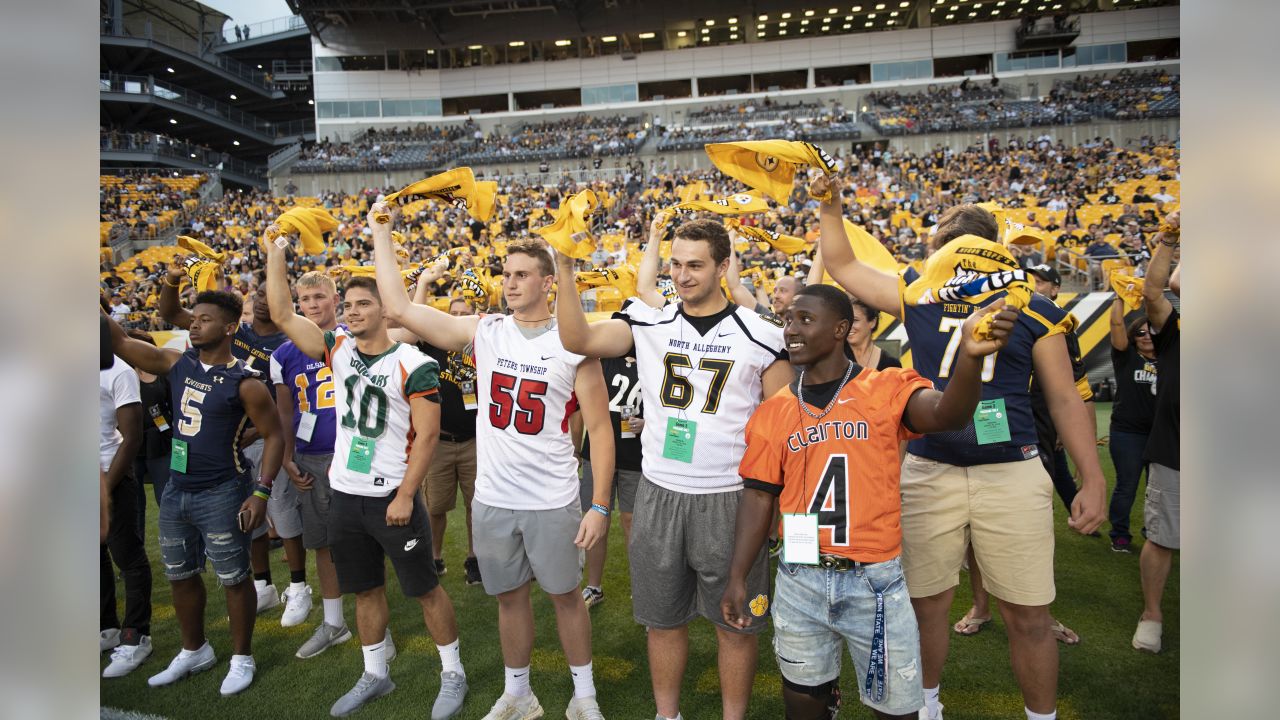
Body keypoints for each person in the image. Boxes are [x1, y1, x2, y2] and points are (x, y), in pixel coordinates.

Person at [816, 175, 1105, 720]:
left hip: (943, 467)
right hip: (993, 467)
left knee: (933, 609)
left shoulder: (926, 293)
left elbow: (843, 266)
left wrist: (831, 208)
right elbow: (1065, 401)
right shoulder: (1030, 305)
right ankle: (1028, 714)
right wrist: (1090, 477)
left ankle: (927, 706)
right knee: (1024, 616)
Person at [722, 285, 1017, 720]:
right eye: (788, 320)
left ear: (841, 329)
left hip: (873, 582)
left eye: (805, 319)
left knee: (896, 712)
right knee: (803, 706)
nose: (791, 330)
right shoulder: (774, 411)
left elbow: (946, 414)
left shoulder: (885, 387)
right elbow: (758, 495)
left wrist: (969, 360)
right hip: (799, 577)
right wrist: (737, 574)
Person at [368, 207, 613, 720]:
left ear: (549, 282)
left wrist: (600, 505)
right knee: (508, 598)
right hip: (494, 496)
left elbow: (600, 429)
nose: (510, 283)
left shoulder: (574, 342)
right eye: (506, 274)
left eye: (522, 274)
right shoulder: (488, 330)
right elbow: (397, 308)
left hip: (552, 496)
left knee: (566, 597)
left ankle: (584, 693)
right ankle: (519, 693)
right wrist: (382, 232)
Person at [555, 217, 792, 720]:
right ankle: (667, 715)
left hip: (732, 496)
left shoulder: (762, 335)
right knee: (662, 620)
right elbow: (578, 338)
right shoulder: (650, 322)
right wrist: (564, 265)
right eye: (676, 265)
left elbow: (784, 433)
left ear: (723, 266)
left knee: (736, 624)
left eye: (695, 266)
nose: (682, 276)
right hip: (658, 492)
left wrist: (777, 507)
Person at [263, 234, 469, 718]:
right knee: (365, 589)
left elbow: (428, 435)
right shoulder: (336, 349)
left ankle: (452, 672)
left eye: (363, 304)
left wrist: (406, 494)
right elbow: (280, 314)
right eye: (349, 304)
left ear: (386, 310)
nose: (352, 312)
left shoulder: (412, 363)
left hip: (391, 498)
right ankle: (375, 674)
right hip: (345, 493)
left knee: (423, 589)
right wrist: (276, 251)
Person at [104, 291, 283, 696]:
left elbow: (275, 436)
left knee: (234, 579)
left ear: (229, 327)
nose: (196, 323)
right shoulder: (178, 363)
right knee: (180, 576)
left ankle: (242, 658)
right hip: (176, 488)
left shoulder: (246, 382)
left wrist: (260, 493)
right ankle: (193, 649)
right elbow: (117, 340)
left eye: (205, 318)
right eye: (194, 318)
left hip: (223, 489)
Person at [160, 268, 304, 618]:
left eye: (270, 296)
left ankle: (299, 586)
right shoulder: (237, 331)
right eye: (258, 295)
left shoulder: (290, 341)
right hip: (229, 439)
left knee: (282, 513)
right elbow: (176, 315)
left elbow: (285, 399)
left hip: (266, 431)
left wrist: (265, 430)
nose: (261, 300)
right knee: (248, 523)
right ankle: (263, 584)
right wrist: (173, 279)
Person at [267, 270, 352, 659]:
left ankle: (375, 624)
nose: (313, 305)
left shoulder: (354, 338)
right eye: (305, 299)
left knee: (364, 541)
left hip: (356, 453)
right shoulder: (282, 354)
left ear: (335, 298)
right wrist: (285, 456)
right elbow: (284, 413)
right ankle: (334, 621)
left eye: (320, 296)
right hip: (311, 455)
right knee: (321, 541)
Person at [1133, 212, 1180, 654]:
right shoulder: (1175, 332)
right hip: (1177, 449)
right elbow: (1155, 290)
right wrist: (1167, 238)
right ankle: (1152, 612)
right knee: (1162, 536)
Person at [417, 297, 483, 586]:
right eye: (452, 314)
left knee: (476, 506)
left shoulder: (482, 347)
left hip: (475, 441)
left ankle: (474, 558)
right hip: (439, 442)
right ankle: (434, 557)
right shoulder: (431, 344)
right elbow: (410, 321)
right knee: (435, 507)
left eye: (463, 315)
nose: (457, 319)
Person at [577, 350, 644, 609]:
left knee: (633, 523)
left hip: (635, 454)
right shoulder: (602, 358)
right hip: (597, 451)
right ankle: (594, 586)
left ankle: (641, 590)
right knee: (596, 518)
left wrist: (647, 423)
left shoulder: (653, 354)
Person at [100, 352, 153, 678]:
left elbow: (132, 438)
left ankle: (137, 635)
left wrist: (105, 488)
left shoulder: (117, 371)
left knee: (127, 557)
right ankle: (106, 627)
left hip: (111, 474)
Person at [1106, 296, 1158, 554]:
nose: (1146, 336)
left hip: (1162, 434)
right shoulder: (1126, 357)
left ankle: (1155, 533)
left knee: (1158, 488)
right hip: (1127, 433)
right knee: (1127, 485)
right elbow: (1116, 324)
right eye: (1140, 333)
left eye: (1152, 332)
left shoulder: (1173, 356)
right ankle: (1119, 534)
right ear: (1133, 337)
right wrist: (1119, 299)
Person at [127, 330, 172, 508]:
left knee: (166, 497)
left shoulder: (163, 372)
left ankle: (172, 536)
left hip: (161, 443)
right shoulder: (122, 374)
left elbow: (174, 405)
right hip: (130, 445)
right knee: (134, 503)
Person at [847, 296, 901, 370]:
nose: (849, 326)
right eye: (846, 320)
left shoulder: (891, 364)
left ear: (872, 322)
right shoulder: (834, 358)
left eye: (855, 320)